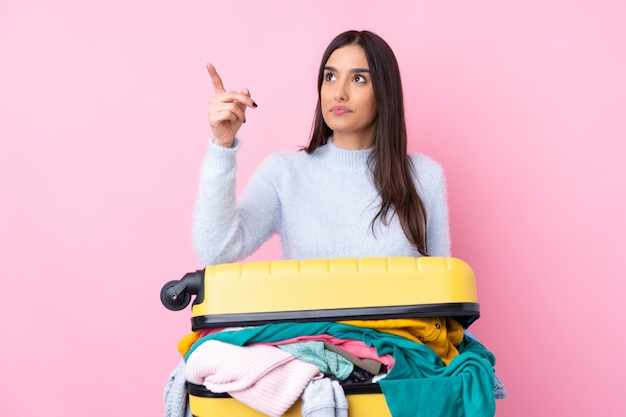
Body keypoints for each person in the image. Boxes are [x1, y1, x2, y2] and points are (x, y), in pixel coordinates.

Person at [192, 30, 450, 266]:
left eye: (358, 79)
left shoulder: (425, 176)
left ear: (384, 91)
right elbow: (216, 252)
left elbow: (444, 293)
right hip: (310, 319)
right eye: (330, 77)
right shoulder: (284, 173)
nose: (339, 92)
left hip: (402, 319)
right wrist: (221, 147)